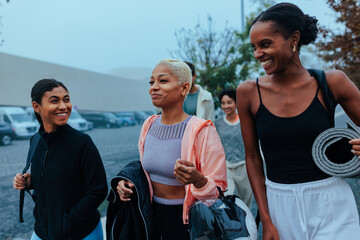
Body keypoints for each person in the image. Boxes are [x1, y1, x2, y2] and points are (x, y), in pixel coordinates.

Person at [236, 3, 360, 240]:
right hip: (280, 205)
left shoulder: (332, 82)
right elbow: (252, 156)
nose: (257, 54)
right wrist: (267, 220)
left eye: (265, 44)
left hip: (331, 202)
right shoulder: (248, 92)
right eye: (254, 47)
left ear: (293, 39)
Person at [116, 59, 227, 239]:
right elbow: (145, 171)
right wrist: (128, 183)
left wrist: (198, 180)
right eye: (151, 82)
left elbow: (219, 189)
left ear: (184, 88)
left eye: (163, 81)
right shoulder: (148, 124)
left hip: (187, 220)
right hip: (150, 214)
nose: (154, 87)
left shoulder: (202, 130)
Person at [13, 79, 108, 240]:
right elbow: (52, 176)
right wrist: (30, 182)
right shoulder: (35, 140)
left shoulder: (82, 142)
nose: (63, 106)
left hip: (81, 233)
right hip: (42, 231)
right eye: (54, 101)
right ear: (37, 107)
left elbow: (98, 190)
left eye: (66, 99)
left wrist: (68, 221)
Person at [214, 89, 253, 208]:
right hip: (226, 167)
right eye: (223, 103)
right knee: (226, 199)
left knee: (246, 201)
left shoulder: (246, 121)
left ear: (236, 103)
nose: (226, 106)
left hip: (244, 166)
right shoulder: (218, 123)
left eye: (229, 102)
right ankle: (229, 225)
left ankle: (246, 224)